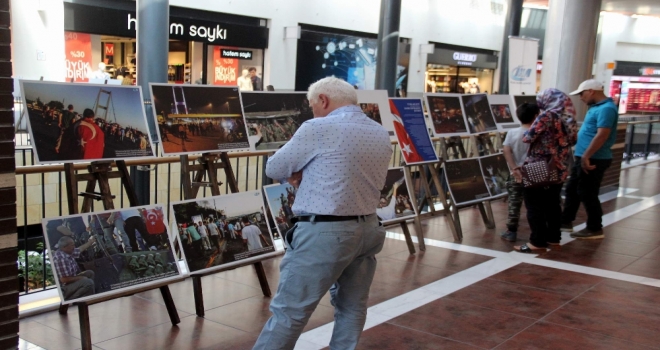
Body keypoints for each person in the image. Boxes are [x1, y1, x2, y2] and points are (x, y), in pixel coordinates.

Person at [253, 77, 392, 349]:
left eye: (311, 104)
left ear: (323, 100)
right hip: (368, 228)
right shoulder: (378, 131)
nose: (311, 110)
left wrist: (301, 171)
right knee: (352, 307)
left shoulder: (318, 127)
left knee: (290, 312)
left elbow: (274, 168)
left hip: (325, 232)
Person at [514, 89, 577, 253]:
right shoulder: (567, 117)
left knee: (533, 203)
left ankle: (537, 241)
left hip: (539, 166)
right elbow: (572, 139)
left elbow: (528, 137)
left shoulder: (546, 116)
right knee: (553, 204)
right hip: (559, 167)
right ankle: (554, 239)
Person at [561, 79, 619, 239]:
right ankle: (565, 221)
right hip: (584, 156)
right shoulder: (596, 108)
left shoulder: (606, 109)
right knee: (573, 189)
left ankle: (595, 227)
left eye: (582, 93)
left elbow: (602, 134)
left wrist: (587, 155)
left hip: (594, 158)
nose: (580, 97)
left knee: (587, 192)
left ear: (591, 91)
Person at [500, 102, 539, 242]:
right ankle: (538, 230)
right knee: (534, 203)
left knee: (514, 202)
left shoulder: (512, 133)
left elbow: (506, 150)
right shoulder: (537, 133)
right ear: (536, 116)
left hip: (516, 173)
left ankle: (511, 231)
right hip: (535, 173)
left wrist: (514, 168)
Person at [52, 236, 97, 301]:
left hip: (70, 281)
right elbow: (64, 280)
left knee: (89, 273)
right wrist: (81, 278)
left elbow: (80, 249)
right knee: (87, 282)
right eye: (72, 245)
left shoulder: (67, 252)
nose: (74, 247)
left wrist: (90, 242)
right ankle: (71, 300)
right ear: (64, 247)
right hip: (64, 287)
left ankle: (90, 295)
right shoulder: (60, 258)